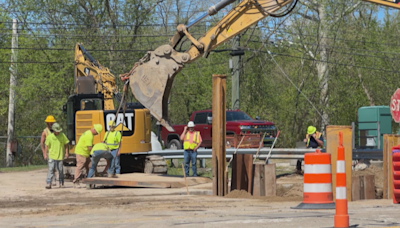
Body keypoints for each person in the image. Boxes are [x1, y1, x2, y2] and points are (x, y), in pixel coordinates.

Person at [72, 124, 103, 188]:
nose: (96, 134)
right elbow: (89, 148)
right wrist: (98, 148)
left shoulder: (88, 133)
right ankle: (76, 181)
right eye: (97, 132)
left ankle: (90, 180)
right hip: (81, 153)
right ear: (95, 130)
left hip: (85, 153)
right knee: (80, 167)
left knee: (89, 166)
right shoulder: (89, 136)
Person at [43, 123, 69, 189]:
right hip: (51, 156)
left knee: (60, 170)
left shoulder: (62, 136)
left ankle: (61, 183)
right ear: (53, 130)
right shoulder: (49, 137)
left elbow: (66, 144)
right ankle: (49, 183)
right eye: (56, 131)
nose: (58, 132)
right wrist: (45, 154)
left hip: (60, 156)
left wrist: (66, 153)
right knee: (51, 169)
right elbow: (46, 145)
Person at [41, 115, 58, 186]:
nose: (51, 124)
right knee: (51, 167)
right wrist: (44, 153)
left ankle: (53, 179)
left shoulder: (56, 131)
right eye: (49, 123)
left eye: (52, 123)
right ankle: (49, 180)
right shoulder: (45, 132)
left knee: (55, 167)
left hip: (56, 152)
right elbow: (42, 143)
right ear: (47, 123)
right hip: (49, 152)